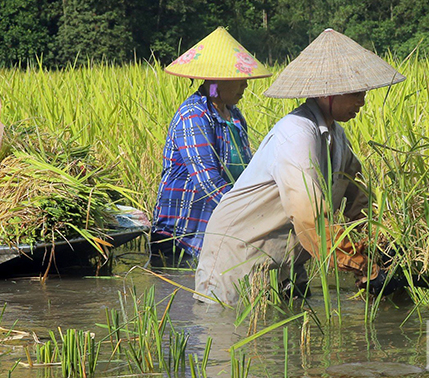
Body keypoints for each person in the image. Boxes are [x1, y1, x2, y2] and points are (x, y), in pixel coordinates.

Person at [194, 28, 406, 305]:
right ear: (327, 93)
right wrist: (355, 261)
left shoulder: (336, 137)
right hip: (240, 257)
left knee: (286, 337)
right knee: (228, 329)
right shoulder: (295, 133)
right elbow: (307, 212)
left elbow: (359, 197)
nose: (362, 102)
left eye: (363, 93)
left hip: (285, 259)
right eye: (355, 92)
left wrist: (379, 246)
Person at [153, 27, 271, 263]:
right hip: (183, 236)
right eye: (239, 79)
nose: (246, 85)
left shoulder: (234, 116)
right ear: (216, 80)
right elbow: (208, 183)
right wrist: (250, 215)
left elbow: (245, 170)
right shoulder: (194, 116)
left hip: (218, 229)